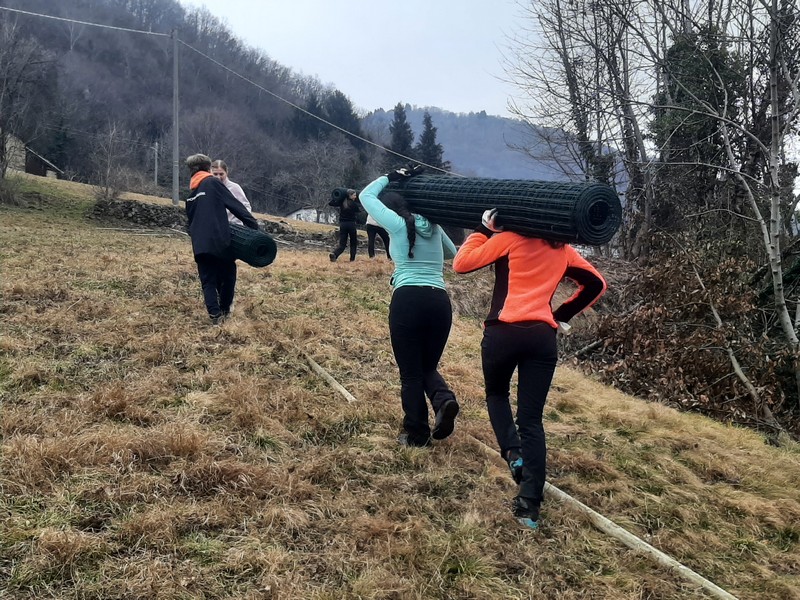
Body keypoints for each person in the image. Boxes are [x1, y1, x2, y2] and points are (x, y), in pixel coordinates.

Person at [452, 208, 606, 529]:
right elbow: (596, 284)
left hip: (502, 333)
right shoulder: (562, 248)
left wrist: (484, 230)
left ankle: (513, 454)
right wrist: (562, 314)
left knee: (496, 395)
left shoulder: (508, 238)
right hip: (541, 337)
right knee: (531, 420)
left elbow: (462, 264)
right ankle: (529, 507)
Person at [358, 164, 460, 447]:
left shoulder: (397, 224)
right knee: (427, 364)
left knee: (411, 372)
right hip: (439, 302)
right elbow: (454, 255)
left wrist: (389, 178)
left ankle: (417, 434)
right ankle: (443, 401)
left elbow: (367, 196)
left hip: (408, 300)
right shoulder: (435, 227)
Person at [185, 153, 259, 325]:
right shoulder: (212, 184)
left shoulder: (191, 194)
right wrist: (254, 227)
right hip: (219, 239)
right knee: (228, 276)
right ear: (207, 168)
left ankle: (215, 315)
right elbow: (235, 205)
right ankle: (225, 311)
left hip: (199, 243)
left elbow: (190, 221)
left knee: (208, 281)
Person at [210, 159, 252, 226]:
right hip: (216, 227)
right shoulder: (208, 188)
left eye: (221, 174)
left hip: (234, 228)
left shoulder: (234, 187)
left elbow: (246, 207)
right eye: (215, 174)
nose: (218, 177)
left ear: (226, 172)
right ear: (210, 173)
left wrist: (237, 221)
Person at [329, 188, 361, 262]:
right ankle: (352, 259)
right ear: (350, 196)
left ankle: (334, 254)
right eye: (354, 195)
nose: (355, 197)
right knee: (353, 242)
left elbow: (331, 203)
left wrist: (339, 198)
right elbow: (359, 212)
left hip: (342, 224)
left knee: (342, 244)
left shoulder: (342, 202)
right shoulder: (353, 204)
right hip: (351, 224)